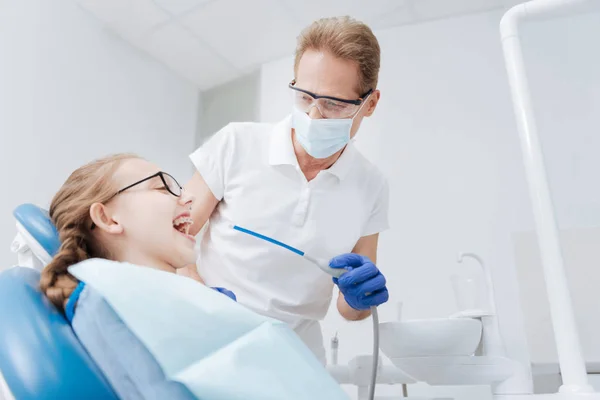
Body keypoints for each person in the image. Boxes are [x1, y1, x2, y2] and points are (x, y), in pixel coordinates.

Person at [38, 154, 345, 400]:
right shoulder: (120, 306)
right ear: (107, 218)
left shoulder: (153, 302)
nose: (186, 197)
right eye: (161, 187)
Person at [185, 16, 390, 363]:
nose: (314, 115)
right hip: (209, 331)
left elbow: (350, 310)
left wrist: (361, 299)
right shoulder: (237, 143)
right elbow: (169, 240)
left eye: (334, 104)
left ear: (369, 104)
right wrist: (202, 296)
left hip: (295, 354)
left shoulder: (371, 185)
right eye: (305, 97)